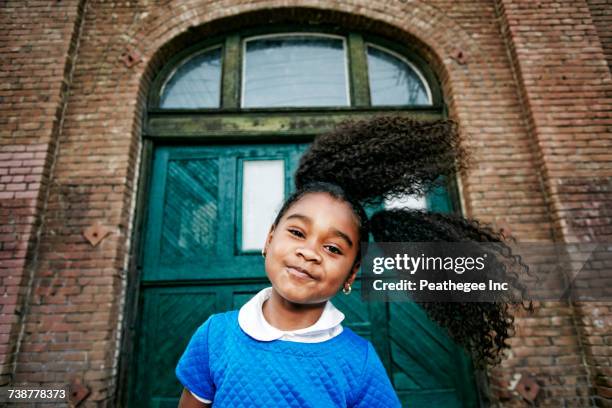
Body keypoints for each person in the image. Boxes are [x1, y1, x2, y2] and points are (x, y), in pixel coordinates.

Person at [175, 117, 531, 407]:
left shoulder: (357, 361)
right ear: (269, 240)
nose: (310, 252)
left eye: (333, 249)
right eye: (298, 233)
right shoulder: (215, 335)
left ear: (351, 275)